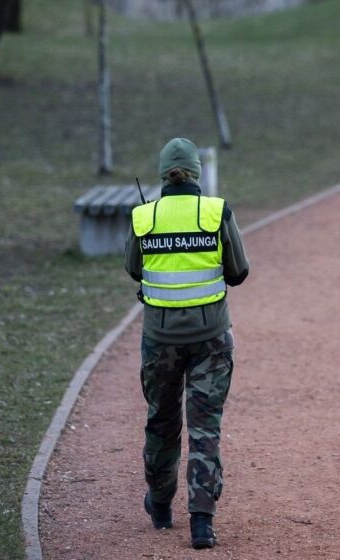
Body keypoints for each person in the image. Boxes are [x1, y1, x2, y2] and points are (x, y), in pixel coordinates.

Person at [125, 137, 249, 549]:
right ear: (196, 173)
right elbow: (239, 271)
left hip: (159, 340)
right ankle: (202, 522)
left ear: (162, 175)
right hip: (211, 338)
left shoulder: (144, 216)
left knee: (161, 422)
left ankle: (160, 505)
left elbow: (133, 269)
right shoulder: (216, 212)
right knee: (204, 426)